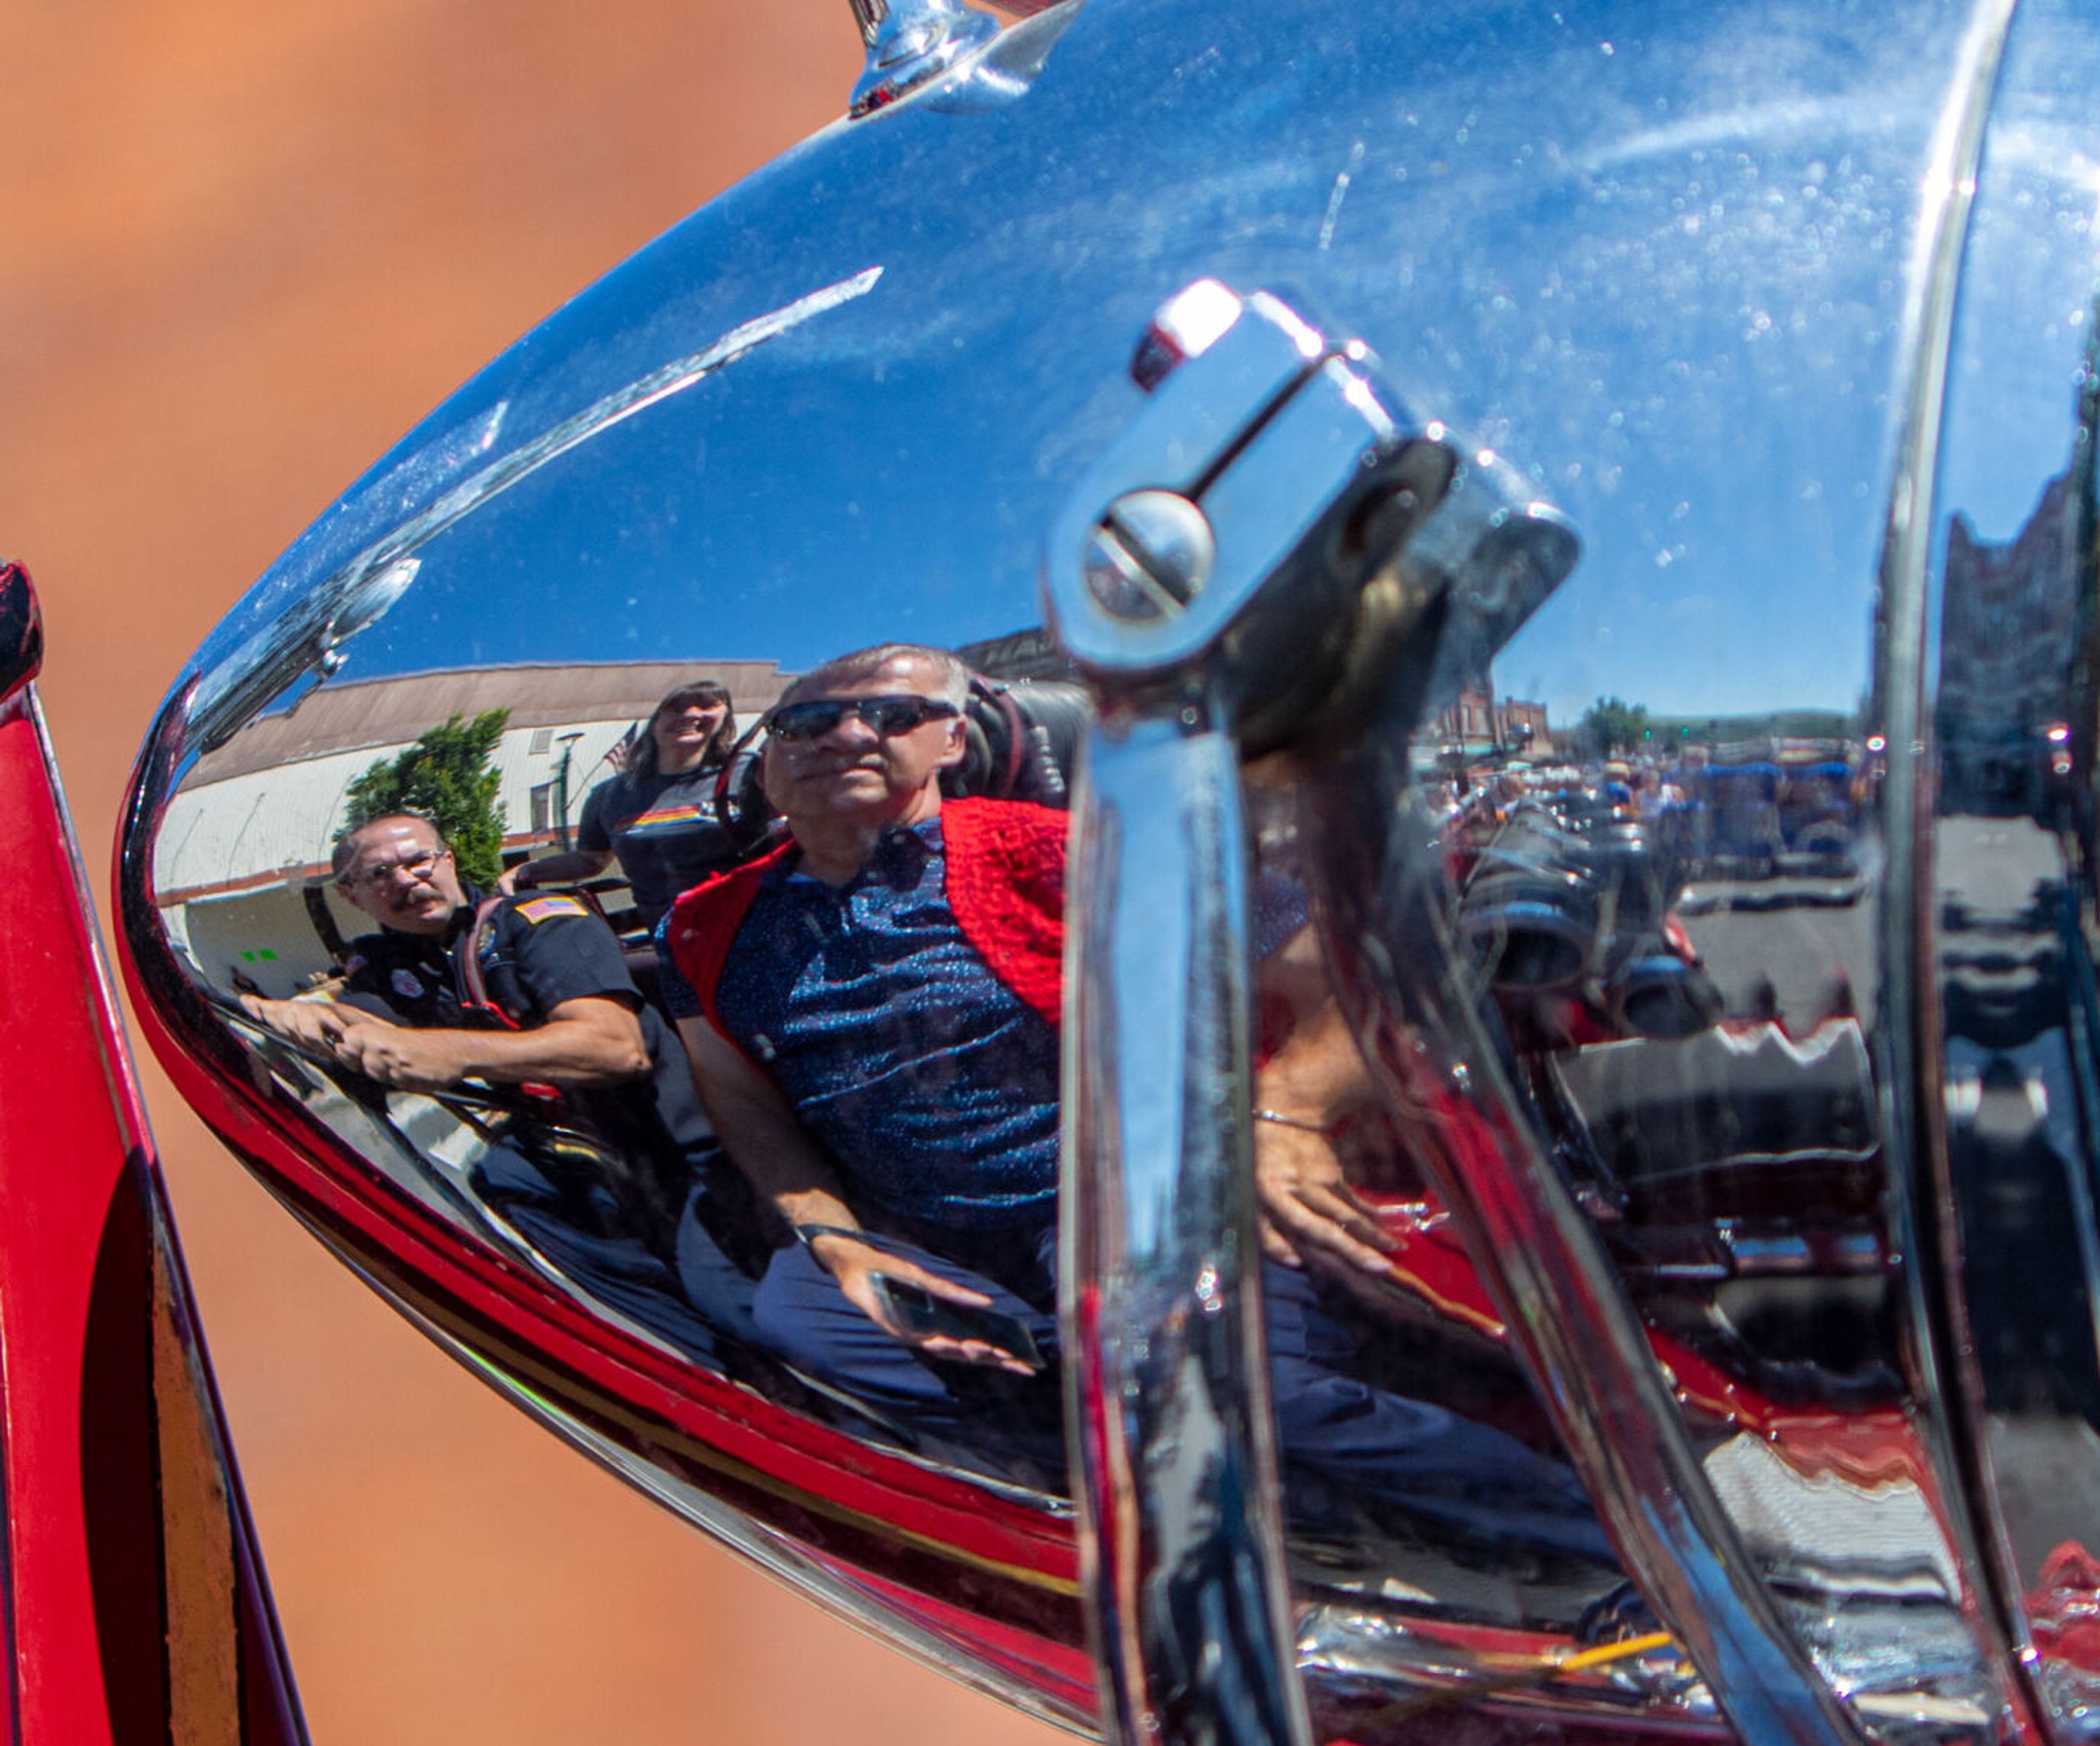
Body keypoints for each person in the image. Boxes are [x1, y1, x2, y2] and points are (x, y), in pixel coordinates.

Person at [662, 643, 1613, 1557]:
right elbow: (740, 1096)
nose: (847, 735)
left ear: (954, 740)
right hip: (921, 1229)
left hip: (1134, 1203)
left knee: (1235, 1385)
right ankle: (1128, 1457)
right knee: (800, 1320)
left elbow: (1353, 969)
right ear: (769, 757)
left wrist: (1287, 1111)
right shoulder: (708, 924)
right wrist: (832, 1232)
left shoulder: (1055, 851)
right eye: (811, 720)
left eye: (893, 713)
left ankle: (1600, 1531)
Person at [242, 812, 723, 1346]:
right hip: (575, 1180)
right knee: (660, 1341)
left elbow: (614, 1047)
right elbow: (363, 1023)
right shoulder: (388, 968)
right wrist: (288, 1013)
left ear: (446, 859)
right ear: (351, 895)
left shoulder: (535, 922)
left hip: (683, 1164)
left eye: (418, 860)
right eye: (380, 874)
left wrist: (450, 1052)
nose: (406, 880)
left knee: (762, 1321)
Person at [507, 680, 769, 930]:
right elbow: (590, 860)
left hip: (756, 925)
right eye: (675, 708)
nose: (690, 714)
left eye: (705, 704)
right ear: (654, 721)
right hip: (674, 940)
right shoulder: (610, 795)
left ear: (726, 715)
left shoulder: (754, 772)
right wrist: (526, 871)